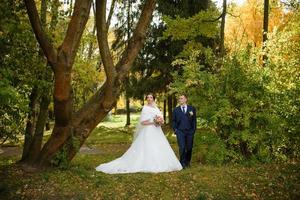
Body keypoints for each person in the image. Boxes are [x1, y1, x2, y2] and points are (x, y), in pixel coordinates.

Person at [96, 93, 182, 174]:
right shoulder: (145, 108)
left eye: (151, 97)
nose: (149, 99)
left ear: (153, 99)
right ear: (146, 99)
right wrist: (154, 122)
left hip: (157, 131)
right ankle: (147, 164)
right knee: (148, 147)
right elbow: (143, 122)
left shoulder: (156, 108)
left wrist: (160, 121)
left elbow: (161, 120)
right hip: (148, 131)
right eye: (148, 97)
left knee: (159, 146)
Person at [172, 94, 197, 168]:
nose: (180, 100)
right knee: (182, 147)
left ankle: (187, 162)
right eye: (179, 99)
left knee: (189, 148)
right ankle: (182, 163)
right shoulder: (176, 110)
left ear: (186, 99)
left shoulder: (192, 108)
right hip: (180, 131)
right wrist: (175, 130)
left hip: (190, 132)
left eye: (182, 98)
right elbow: (173, 121)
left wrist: (193, 130)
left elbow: (194, 121)